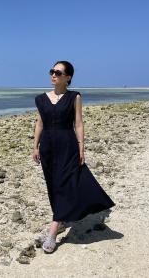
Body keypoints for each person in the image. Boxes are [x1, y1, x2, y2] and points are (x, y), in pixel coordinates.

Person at [32, 61, 115, 253]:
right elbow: (39, 123)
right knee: (53, 185)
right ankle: (60, 218)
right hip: (47, 148)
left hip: (67, 145)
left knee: (64, 182)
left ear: (68, 77)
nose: (53, 75)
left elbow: (78, 124)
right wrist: (35, 146)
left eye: (58, 72)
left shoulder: (74, 97)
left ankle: (53, 230)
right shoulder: (40, 99)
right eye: (52, 71)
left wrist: (81, 148)